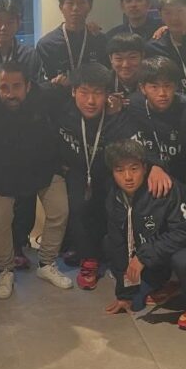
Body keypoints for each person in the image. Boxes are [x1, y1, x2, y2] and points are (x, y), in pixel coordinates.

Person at [0, 60, 72, 300]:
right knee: (0, 217)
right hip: (1, 171)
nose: (10, 93)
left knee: (60, 210)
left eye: (16, 86)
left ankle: (46, 263)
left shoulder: (45, 96)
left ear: (28, 86)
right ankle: (5, 270)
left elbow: (71, 93)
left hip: (42, 166)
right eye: (4, 87)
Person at [102, 139, 186, 331]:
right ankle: (172, 282)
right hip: (160, 246)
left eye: (134, 169)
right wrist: (124, 295)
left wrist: (143, 257)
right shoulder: (115, 198)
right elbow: (119, 244)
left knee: (185, 260)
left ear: (145, 167)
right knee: (110, 243)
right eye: (119, 170)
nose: (128, 177)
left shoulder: (163, 186)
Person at [57, 63, 129, 290]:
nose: (90, 101)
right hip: (78, 171)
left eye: (97, 93)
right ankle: (88, 258)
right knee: (78, 205)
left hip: (110, 174)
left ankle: (118, 257)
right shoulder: (64, 113)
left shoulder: (117, 117)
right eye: (84, 92)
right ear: (73, 91)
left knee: (113, 207)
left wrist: (116, 115)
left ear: (107, 94)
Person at [123, 57, 186, 210]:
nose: (162, 93)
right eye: (154, 87)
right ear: (142, 88)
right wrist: (153, 165)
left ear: (176, 86)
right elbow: (128, 144)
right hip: (146, 175)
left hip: (182, 180)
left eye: (167, 86)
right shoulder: (131, 107)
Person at [36, 0, 108, 85]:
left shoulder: (100, 40)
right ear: (61, 7)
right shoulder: (46, 44)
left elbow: (108, 76)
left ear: (90, 7)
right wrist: (52, 83)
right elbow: (40, 83)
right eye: (70, 3)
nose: (75, 8)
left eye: (81, 3)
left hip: (92, 94)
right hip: (58, 95)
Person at [106, 32, 146, 108]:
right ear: (111, 59)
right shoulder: (103, 84)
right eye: (119, 58)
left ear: (142, 57)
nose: (125, 65)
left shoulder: (152, 81)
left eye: (132, 57)